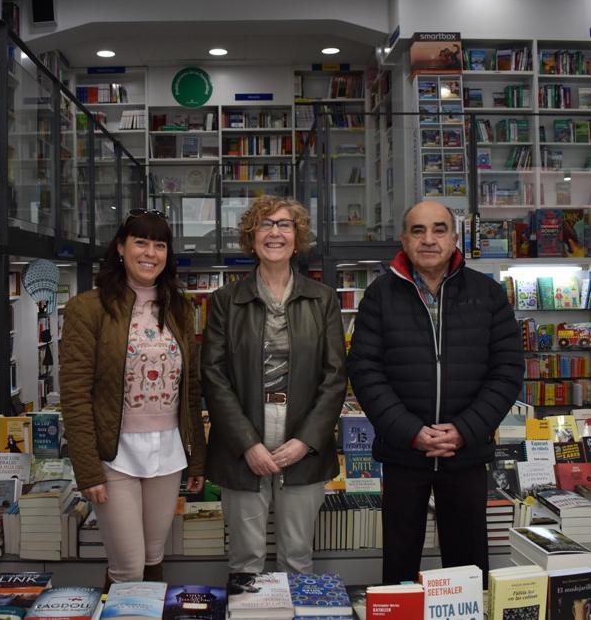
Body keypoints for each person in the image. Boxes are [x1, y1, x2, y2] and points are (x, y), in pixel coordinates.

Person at [347, 200, 523, 585]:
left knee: (468, 565)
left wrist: (463, 429)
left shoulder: (488, 294)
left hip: (466, 454)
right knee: (399, 563)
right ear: (404, 240)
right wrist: (412, 432)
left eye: (439, 229)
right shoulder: (379, 295)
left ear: (455, 238)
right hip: (404, 454)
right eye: (418, 230)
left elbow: (507, 370)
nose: (429, 239)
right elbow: (365, 370)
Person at [60, 209, 206, 586]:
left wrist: (198, 459)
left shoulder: (180, 308)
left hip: (169, 453)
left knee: (154, 557)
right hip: (114, 454)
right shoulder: (87, 308)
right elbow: (74, 394)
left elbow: (190, 390)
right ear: (121, 247)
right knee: (127, 565)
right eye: (141, 241)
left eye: (160, 244)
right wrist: (88, 469)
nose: (150, 252)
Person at [202, 196, 346, 574]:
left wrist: (306, 441)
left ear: (297, 239)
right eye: (265, 225)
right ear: (251, 239)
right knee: (245, 558)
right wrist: (247, 443)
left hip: (304, 438)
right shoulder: (224, 301)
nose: (275, 233)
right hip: (241, 440)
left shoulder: (323, 300)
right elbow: (213, 376)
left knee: (297, 557)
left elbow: (335, 377)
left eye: (284, 225)